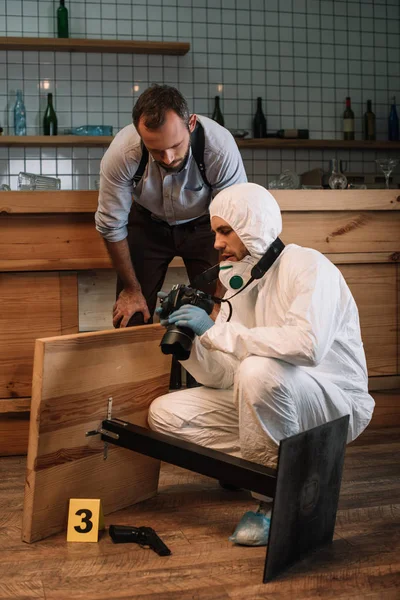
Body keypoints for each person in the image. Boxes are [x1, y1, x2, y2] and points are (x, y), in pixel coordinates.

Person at [148, 182, 375, 545]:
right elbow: (223, 376)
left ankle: (272, 500)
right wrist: (192, 342)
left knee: (258, 370)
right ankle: (290, 466)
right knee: (165, 414)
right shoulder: (241, 283)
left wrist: (216, 330)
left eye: (225, 231)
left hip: (333, 401)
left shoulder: (308, 266)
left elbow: (308, 346)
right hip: (270, 393)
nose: (217, 243)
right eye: (215, 233)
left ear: (253, 226)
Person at [95, 84, 247, 328]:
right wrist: (132, 289)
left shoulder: (219, 148)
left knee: (214, 315)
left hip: (205, 227)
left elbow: (234, 222)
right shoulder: (123, 153)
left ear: (192, 124)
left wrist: (218, 299)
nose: (167, 159)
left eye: (175, 146)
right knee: (131, 314)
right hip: (147, 225)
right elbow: (111, 226)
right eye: (156, 151)